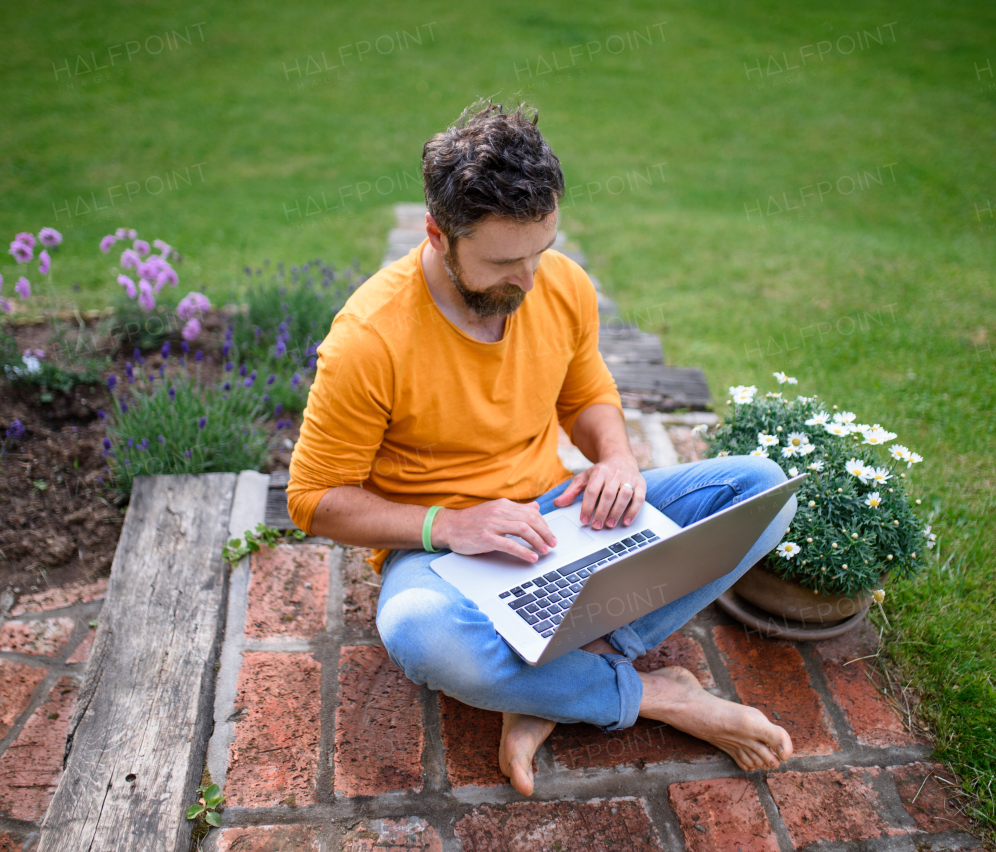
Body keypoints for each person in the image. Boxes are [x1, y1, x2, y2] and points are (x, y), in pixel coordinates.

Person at [286, 98, 796, 796]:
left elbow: (587, 396)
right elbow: (314, 501)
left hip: (559, 516)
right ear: (437, 234)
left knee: (764, 492)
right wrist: (449, 524)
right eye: (503, 262)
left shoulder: (560, 285)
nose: (527, 281)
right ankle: (651, 693)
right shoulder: (368, 341)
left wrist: (616, 459)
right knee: (419, 635)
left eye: (541, 252)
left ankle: (546, 684)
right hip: (441, 555)